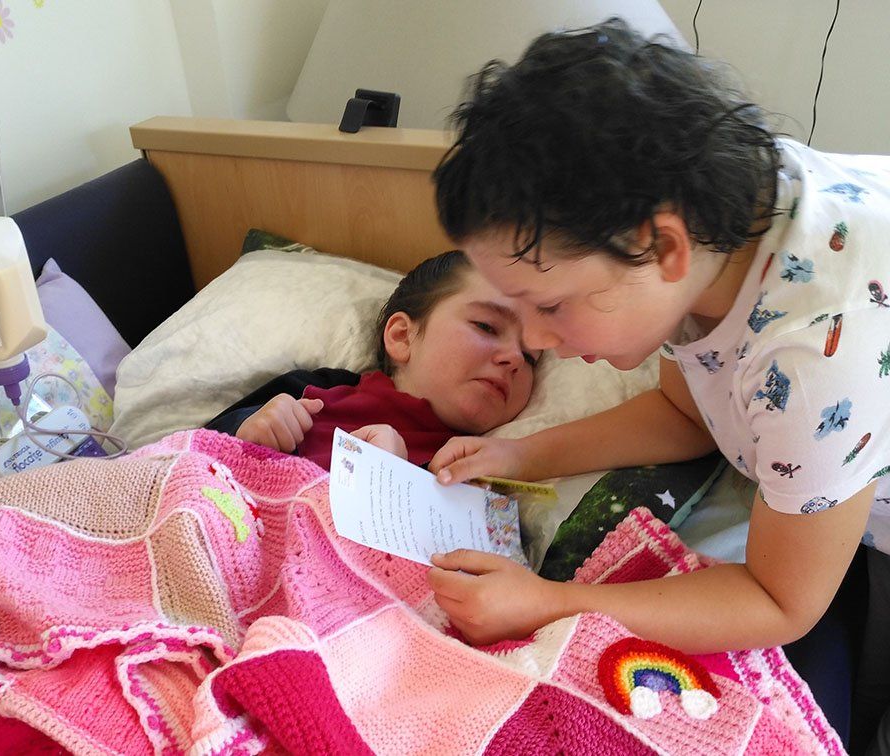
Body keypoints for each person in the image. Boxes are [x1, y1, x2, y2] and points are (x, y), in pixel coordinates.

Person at [424, 18, 890, 750]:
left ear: (660, 245)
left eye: (551, 308)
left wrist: (547, 603)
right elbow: (687, 413)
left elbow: (778, 599)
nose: (540, 342)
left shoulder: (813, 360)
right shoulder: (717, 227)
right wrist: (521, 456)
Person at [205, 250, 539, 470]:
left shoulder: (480, 475)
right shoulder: (317, 392)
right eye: (487, 326)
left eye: (530, 356)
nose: (513, 358)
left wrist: (391, 484)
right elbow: (188, 455)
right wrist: (250, 429)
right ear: (402, 337)